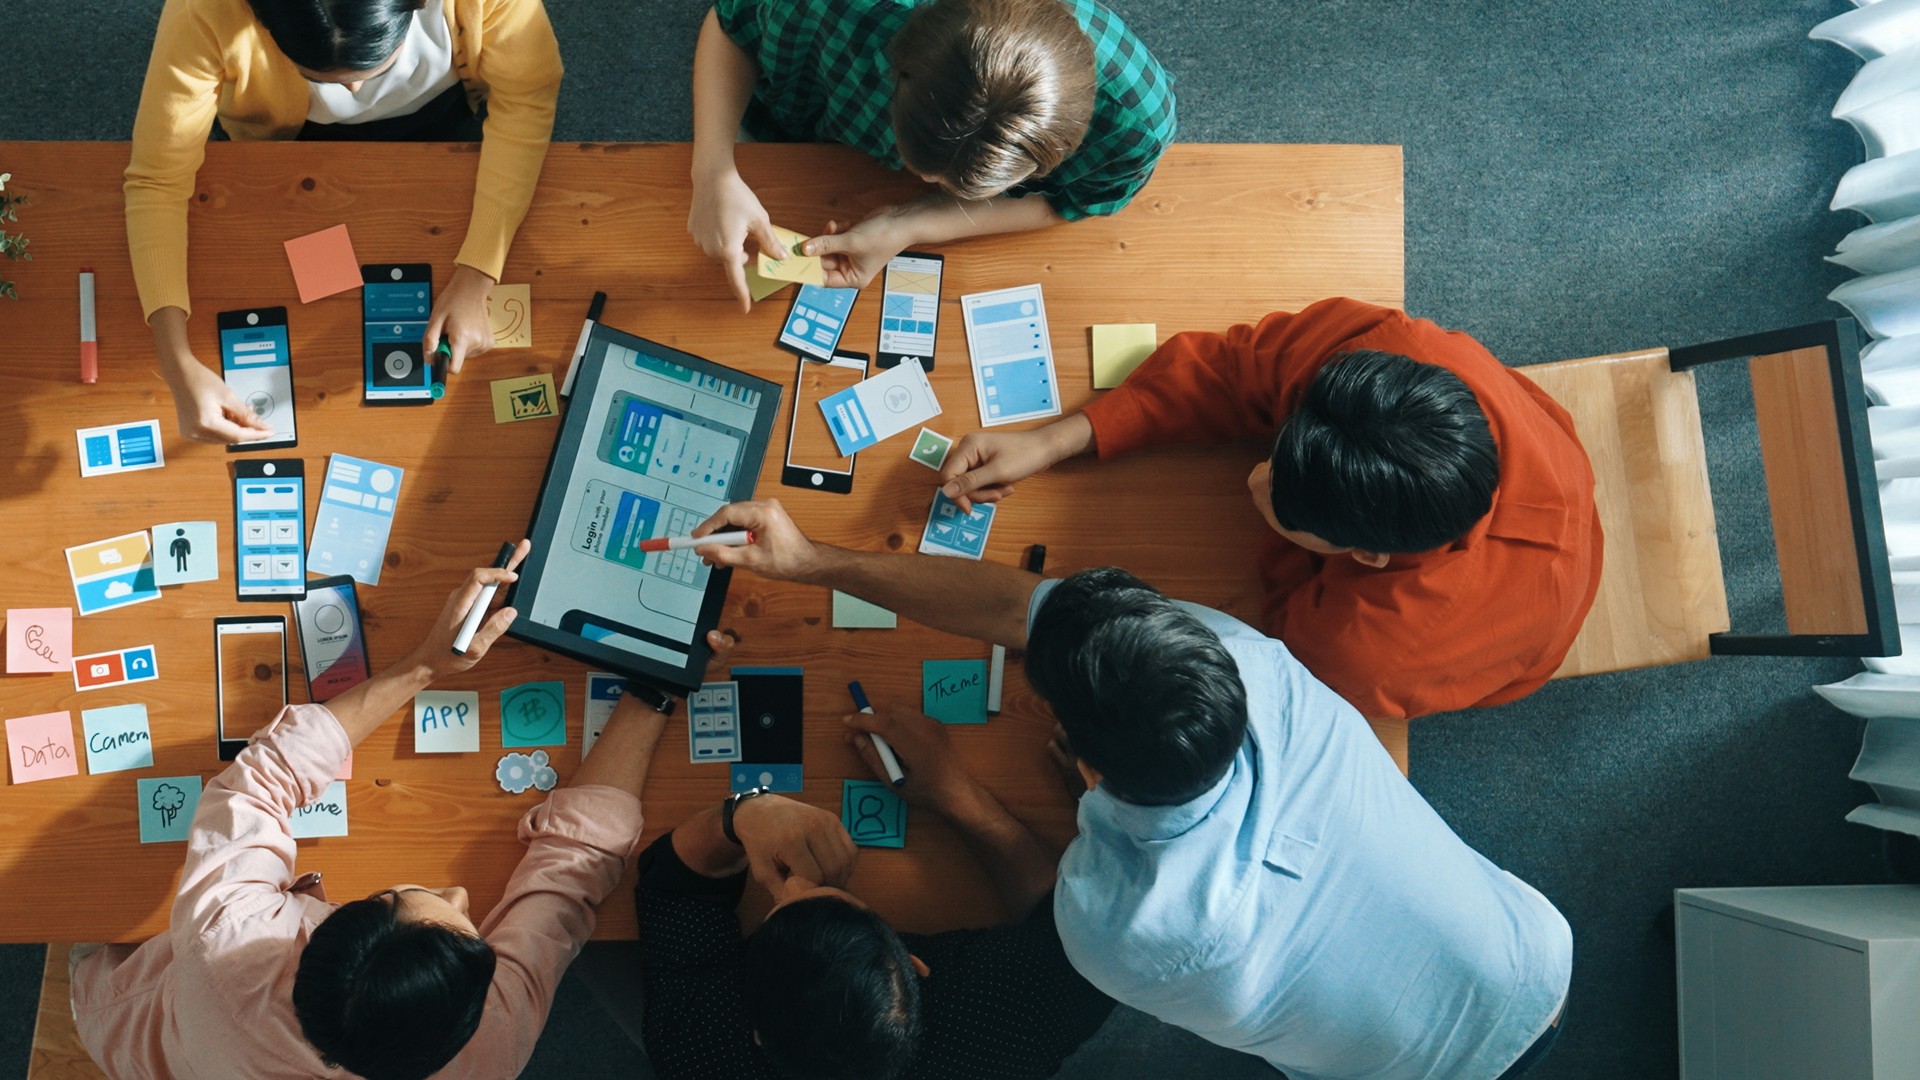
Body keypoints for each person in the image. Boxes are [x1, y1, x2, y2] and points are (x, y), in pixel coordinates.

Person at [687, 500, 1572, 1079]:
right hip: (1534, 954)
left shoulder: (1126, 933)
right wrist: (812, 561)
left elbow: (1057, 915)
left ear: (1084, 763)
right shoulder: (1249, 664)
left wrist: (957, 790)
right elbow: (1022, 608)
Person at [70, 542, 727, 1080]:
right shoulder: (488, 1048)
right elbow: (570, 874)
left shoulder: (229, 944)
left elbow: (259, 780)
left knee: (87, 910)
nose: (460, 890)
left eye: (409, 897)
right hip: (187, 1035)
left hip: (131, 1027)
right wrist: (658, 685)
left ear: (320, 936)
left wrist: (419, 668)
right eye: (470, 923)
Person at [933, 297, 1603, 721]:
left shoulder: (1362, 652)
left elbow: (1288, 629)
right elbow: (1235, 368)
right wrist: (1054, 440)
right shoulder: (1394, 355)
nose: (1255, 477)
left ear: (1365, 558)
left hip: (1518, 636)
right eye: (1278, 444)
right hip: (1552, 477)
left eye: (1280, 506)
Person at [127, 0, 564, 444]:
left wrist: (478, 273)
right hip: (284, 144)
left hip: (447, 119)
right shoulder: (201, 11)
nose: (354, 90)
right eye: (315, 75)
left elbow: (526, 97)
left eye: (374, 66)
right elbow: (157, 180)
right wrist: (175, 361)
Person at [636, 704, 1113, 1080]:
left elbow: (672, 889)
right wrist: (954, 791)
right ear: (914, 965)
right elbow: (1078, 922)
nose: (799, 881)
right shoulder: (1010, 1019)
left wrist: (743, 815)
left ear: (755, 1032)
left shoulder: (699, 1050)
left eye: (781, 905)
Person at [687, 0, 1176, 308]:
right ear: (897, 65)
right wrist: (712, 171)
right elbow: (730, 23)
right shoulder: (828, 8)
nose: (924, 187)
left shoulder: (1137, 124)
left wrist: (910, 224)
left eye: (947, 188)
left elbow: (1073, 200)